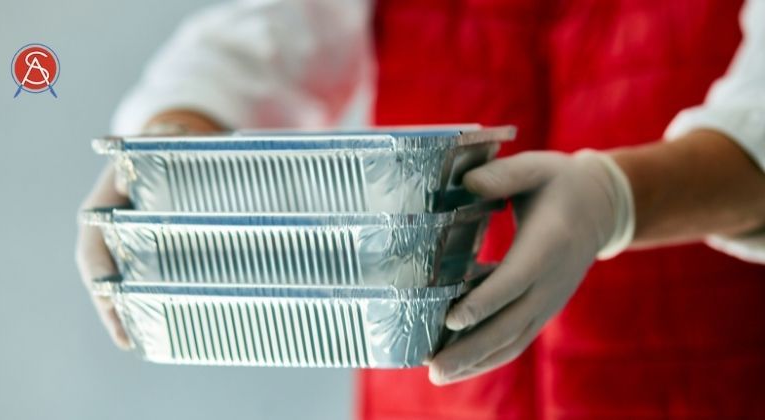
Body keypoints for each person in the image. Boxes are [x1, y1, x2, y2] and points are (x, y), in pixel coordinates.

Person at [76, 0, 765, 417]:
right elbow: (265, 36)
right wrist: (167, 145)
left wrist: (615, 199)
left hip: (707, 384)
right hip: (435, 405)